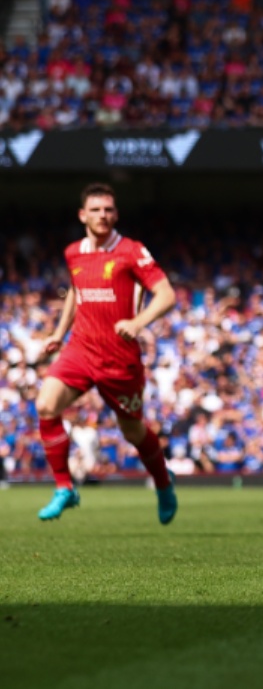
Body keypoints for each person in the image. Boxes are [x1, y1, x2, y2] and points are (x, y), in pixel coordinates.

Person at [35, 183, 179, 524]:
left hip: (119, 360)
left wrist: (139, 321)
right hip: (81, 349)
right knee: (45, 405)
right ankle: (64, 488)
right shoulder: (74, 252)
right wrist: (58, 332)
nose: (103, 215)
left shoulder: (131, 251)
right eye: (96, 209)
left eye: (109, 210)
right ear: (82, 215)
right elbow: (75, 290)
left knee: (133, 432)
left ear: (116, 214)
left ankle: (162, 482)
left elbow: (167, 294)